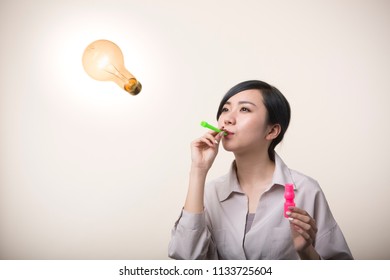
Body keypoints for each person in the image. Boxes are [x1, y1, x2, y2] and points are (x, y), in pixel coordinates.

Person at [168, 80, 353, 260]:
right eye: (225, 109)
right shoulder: (210, 193)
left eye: (244, 109)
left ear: (272, 131)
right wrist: (198, 170)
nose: (228, 119)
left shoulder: (306, 190)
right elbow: (186, 257)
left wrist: (306, 251)